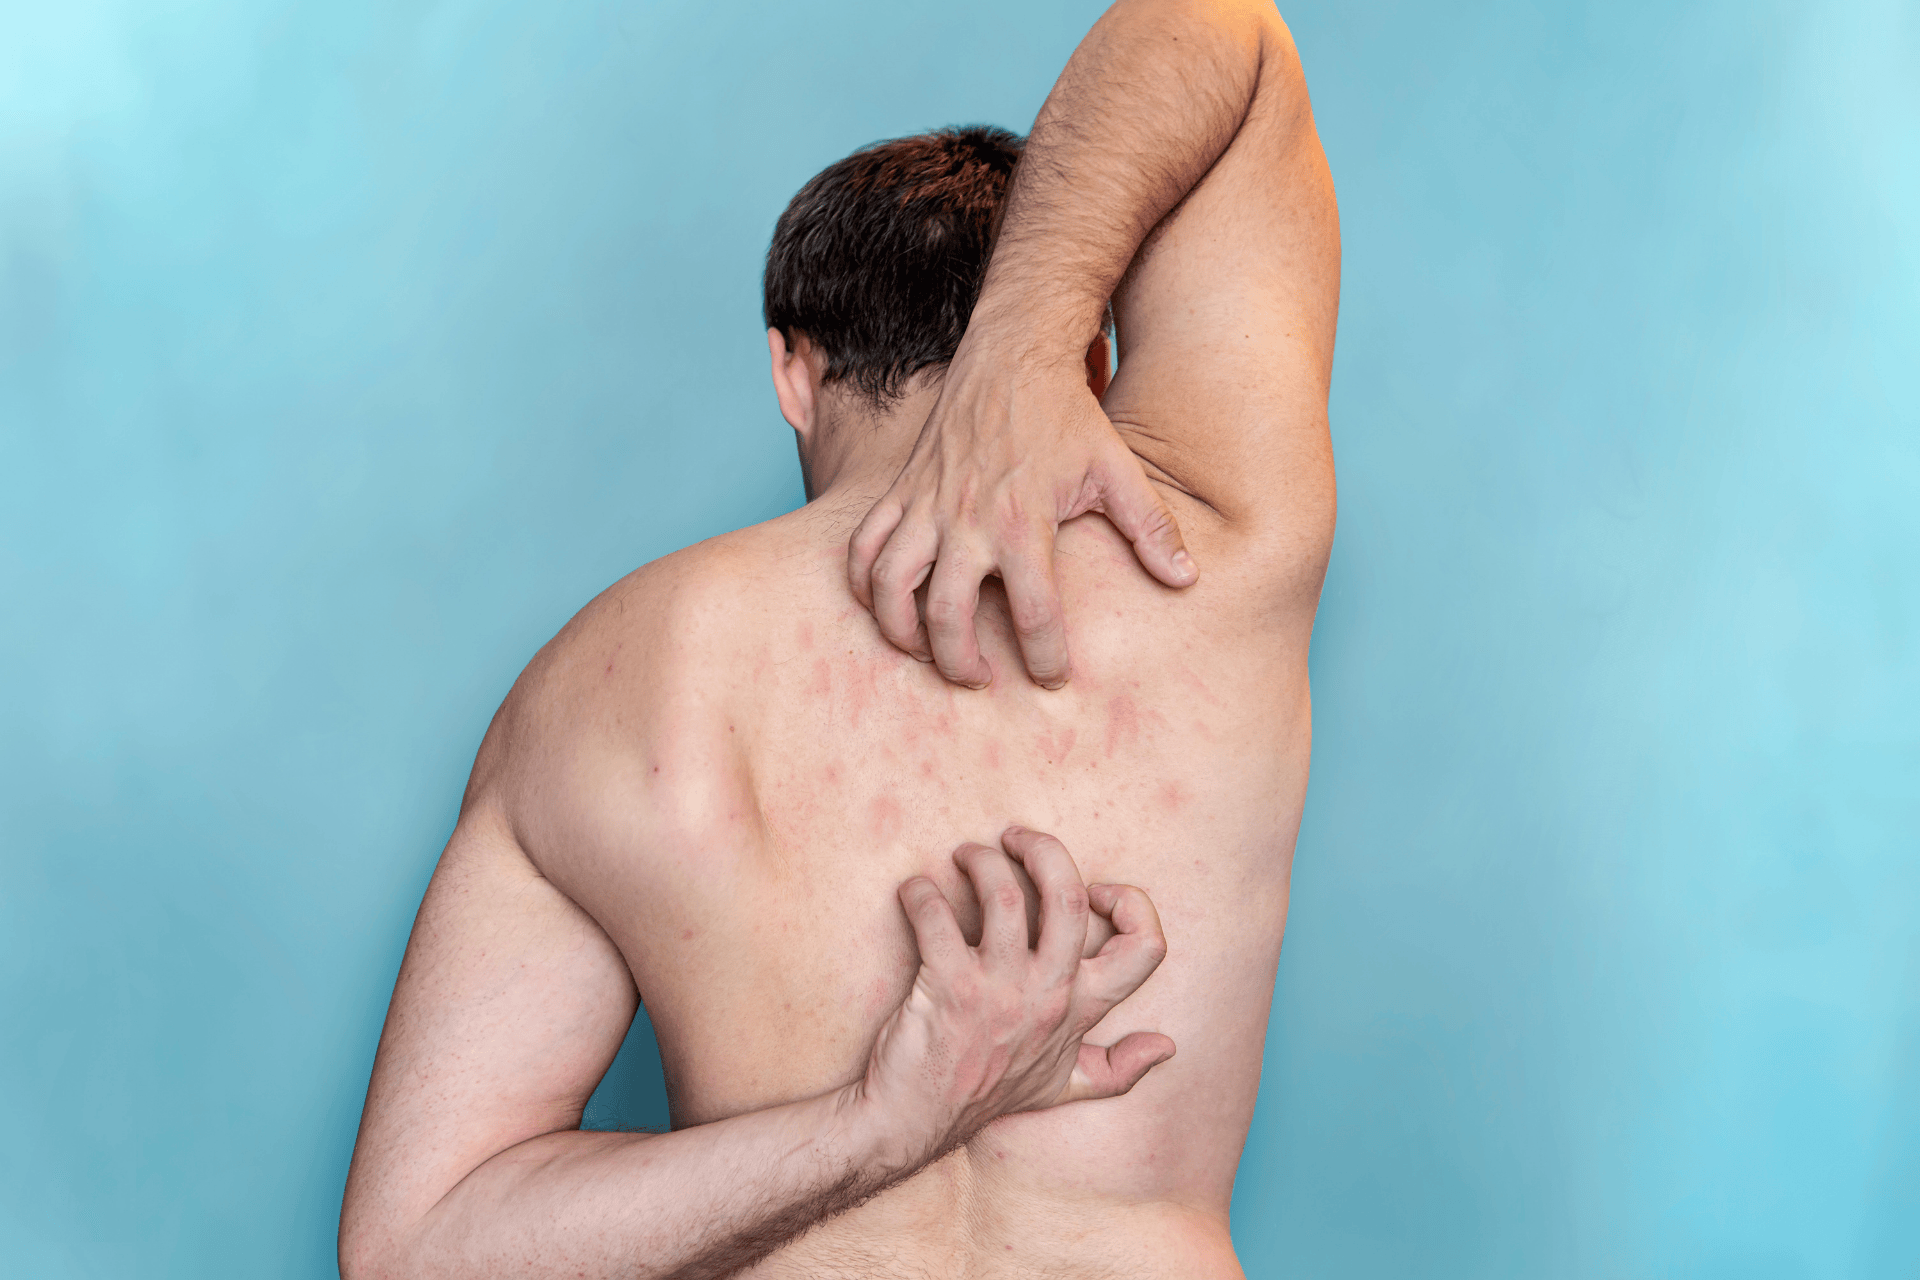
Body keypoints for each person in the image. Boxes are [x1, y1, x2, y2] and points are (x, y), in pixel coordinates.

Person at [338, 0, 1338, 1275]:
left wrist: (871, 1132)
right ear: (1097, 358)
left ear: (792, 369)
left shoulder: (605, 679)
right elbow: (1221, 30)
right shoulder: (1206, 543)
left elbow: (417, 1249)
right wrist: (1026, 340)